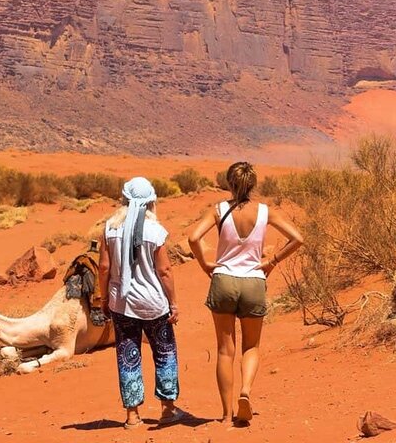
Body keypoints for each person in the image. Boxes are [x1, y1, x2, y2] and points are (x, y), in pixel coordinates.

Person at [188, 162, 303, 425]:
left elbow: (194, 238)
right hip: (253, 281)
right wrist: (272, 260)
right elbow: (297, 238)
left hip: (224, 280)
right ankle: (246, 392)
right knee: (251, 346)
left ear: (229, 183)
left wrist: (205, 264)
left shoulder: (218, 210)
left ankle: (227, 414)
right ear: (253, 185)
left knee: (224, 350)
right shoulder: (265, 212)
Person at [98, 177, 184, 429]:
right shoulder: (155, 230)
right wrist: (174, 303)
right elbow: (165, 270)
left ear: (124, 199)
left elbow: (104, 267)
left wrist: (104, 298)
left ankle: (132, 415)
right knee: (164, 353)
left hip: (121, 304)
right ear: (150, 201)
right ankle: (167, 410)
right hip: (154, 305)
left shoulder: (110, 228)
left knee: (128, 355)